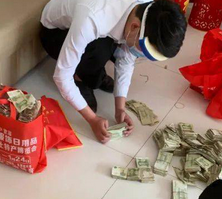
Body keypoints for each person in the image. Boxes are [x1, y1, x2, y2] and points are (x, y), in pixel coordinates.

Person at [40, 0, 187, 143]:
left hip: (99, 27)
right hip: (55, 32)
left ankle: (96, 74)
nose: (140, 56)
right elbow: (62, 76)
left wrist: (120, 108)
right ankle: (80, 78)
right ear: (134, 26)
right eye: (143, 51)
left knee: (119, 46)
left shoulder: (146, 12)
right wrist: (92, 119)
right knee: (100, 50)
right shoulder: (92, 19)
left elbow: (126, 59)